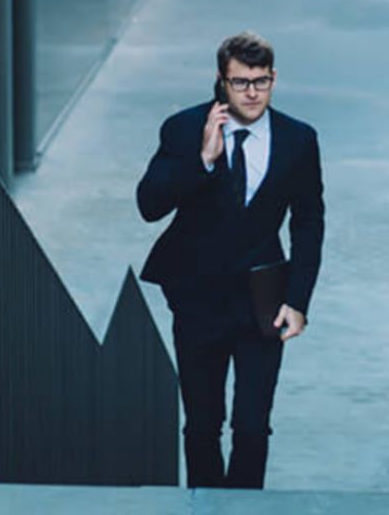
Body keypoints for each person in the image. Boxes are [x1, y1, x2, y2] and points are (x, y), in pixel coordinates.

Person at [136, 31, 324, 489]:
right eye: (241, 83)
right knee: (202, 426)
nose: (253, 93)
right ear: (222, 81)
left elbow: (308, 223)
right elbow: (149, 206)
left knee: (253, 426)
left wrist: (298, 301)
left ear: (274, 78)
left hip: (263, 302)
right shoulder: (184, 129)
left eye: (261, 81)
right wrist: (202, 159)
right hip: (198, 299)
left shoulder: (298, 140)